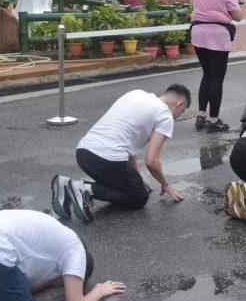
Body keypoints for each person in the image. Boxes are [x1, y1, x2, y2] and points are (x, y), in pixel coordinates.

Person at [53, 85, 191, 222]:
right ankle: (85, 189)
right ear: (179, 104)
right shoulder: (165, 115)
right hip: (107, 160)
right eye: (182, 111)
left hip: (84, 154)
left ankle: (64, 187)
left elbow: (129, 148)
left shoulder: (136, 93)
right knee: (139, 198)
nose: (178, 116)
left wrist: (136, 178)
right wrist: (165, 184)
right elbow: (151, 161)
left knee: (131, 186)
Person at [190, 0, 243, 131]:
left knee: (207, 74)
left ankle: (201, 115)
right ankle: (214, 120)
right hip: (217, 36)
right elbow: (238, 16)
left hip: (198, 34)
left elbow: (193, 6)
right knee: (217, 78)